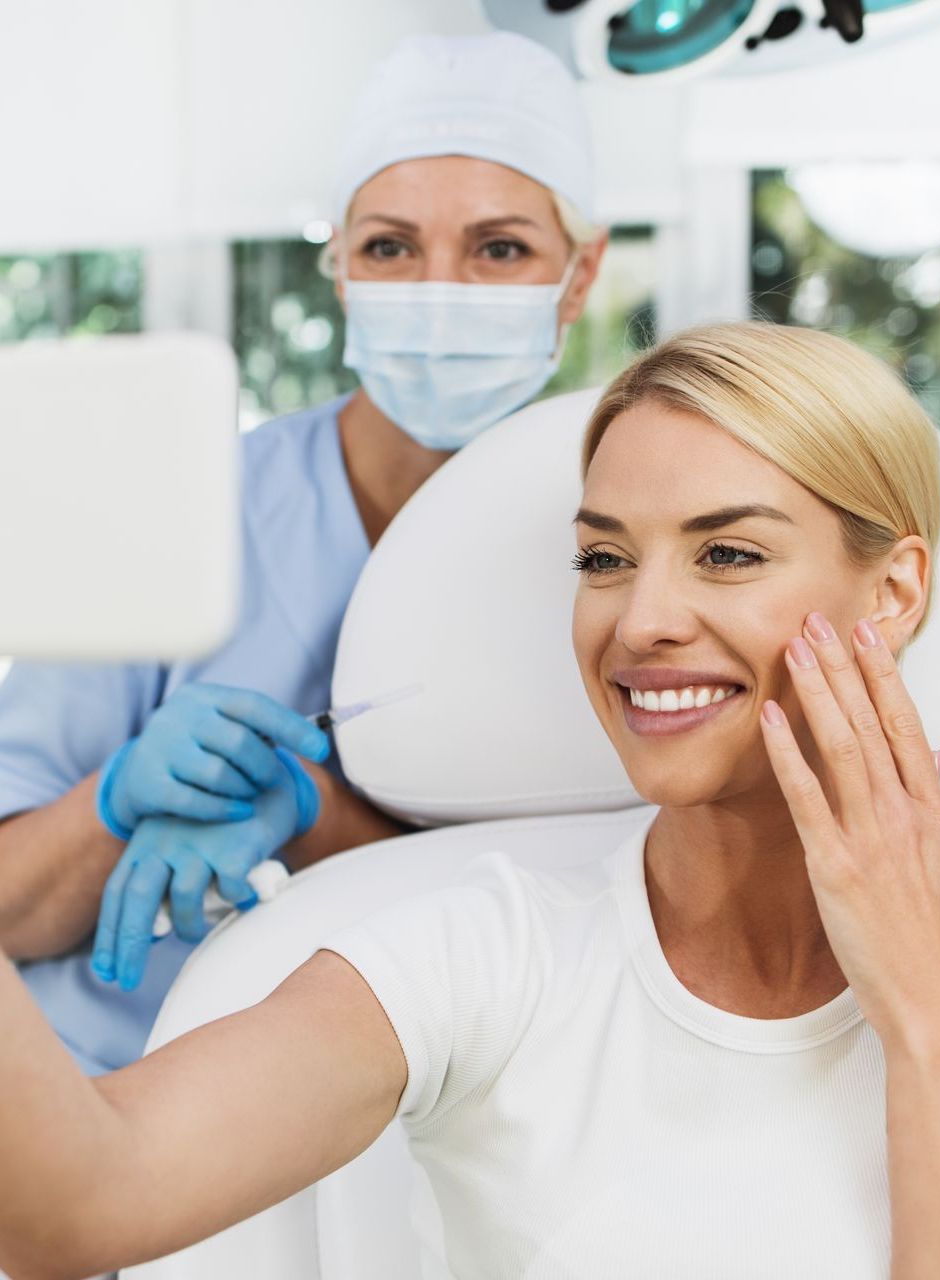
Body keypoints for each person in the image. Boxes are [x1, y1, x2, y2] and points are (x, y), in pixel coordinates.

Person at [0, 321, 940, 1280]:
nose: (642, 621)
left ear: (894, 590)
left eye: (730, 555)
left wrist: (928, 1027)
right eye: (604, 560)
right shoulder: (487, 955)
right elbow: (78, 1206)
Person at [0, 31, 607, 1074]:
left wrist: (316, 815)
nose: (437, 287)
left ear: (581, 272)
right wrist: (115, 800)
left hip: (395, 1144)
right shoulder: (183, 505)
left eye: (500, 247)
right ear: (335, 264)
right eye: (388, 246)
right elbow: (9, 905)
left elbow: (602, 925)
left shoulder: (625, 544)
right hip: (95, 1092)